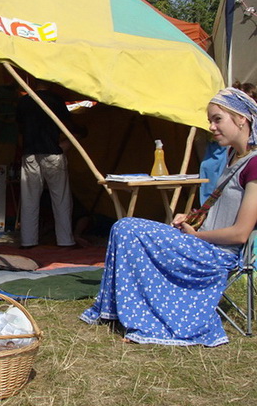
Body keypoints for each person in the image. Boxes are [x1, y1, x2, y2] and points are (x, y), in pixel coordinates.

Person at [80, 86, 257, 346]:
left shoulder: (253, 164)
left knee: (128, 228)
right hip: (204, 241)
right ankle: (122, 311)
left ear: (242, 118)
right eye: (210, 120)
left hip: (218, 254)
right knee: (124, 228)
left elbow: (240, 233)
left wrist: (198, 235)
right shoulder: (233, 156)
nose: (211, 126)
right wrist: (193, 217)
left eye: (217, 119)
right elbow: (222, 210)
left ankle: (143, 318)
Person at [15, 78, 79, 248]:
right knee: (61, 197)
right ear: (49, 82)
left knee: (29, 198)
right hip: (52, 152)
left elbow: (20, 130)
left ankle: (28, 241)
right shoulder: (56, 100)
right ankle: (65, 240)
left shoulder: (24, 102)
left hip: (30, 153)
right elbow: (68, 124)